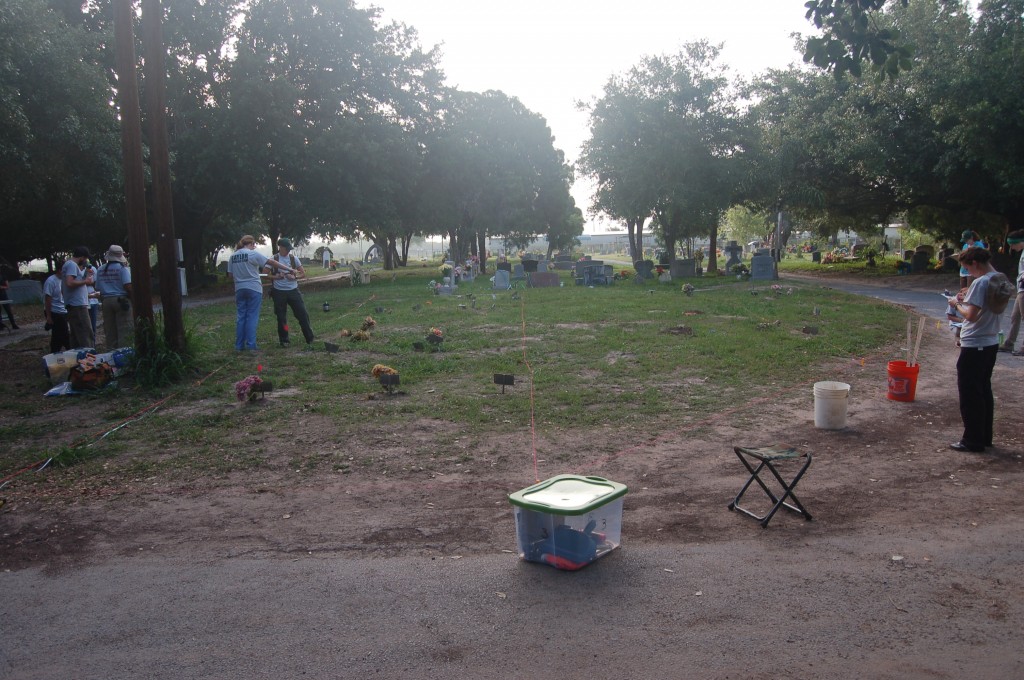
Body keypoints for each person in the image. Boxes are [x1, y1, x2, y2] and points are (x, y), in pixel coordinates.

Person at [946, 248, 1001, 452]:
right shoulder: (999, 278)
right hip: (991, 341)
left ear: (975, 263)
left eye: (968, 268)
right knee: (983, 389)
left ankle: (972, 440)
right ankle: (984, 436)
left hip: (976, 342)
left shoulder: (982, 282)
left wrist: (956, 303)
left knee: (970, 393)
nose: (968, 272)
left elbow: (971, 316)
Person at [228, 234, 293, 351]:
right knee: (252, 317)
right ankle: (251, 345)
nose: (254, 247)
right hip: (254, 288)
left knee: (241, 317)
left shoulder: (233, 256)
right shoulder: (253, 254)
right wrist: (289, 269)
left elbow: (230, 275)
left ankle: (238, 345)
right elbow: (272, 262)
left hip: (239, 289)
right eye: (254, 245)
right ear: (251, 244)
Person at [265, 238, 314, 348]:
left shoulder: (293, 259)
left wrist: (295, 277)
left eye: (289, 249)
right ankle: (284, 340)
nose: (288, 251)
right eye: (286, 249)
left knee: (302, 314)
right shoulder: (273, 259)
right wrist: (276, 277)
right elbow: (264, 275)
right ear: (280, 247)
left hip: (293, 291)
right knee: (281, 317)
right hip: (279, 292)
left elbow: (303, 273)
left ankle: (310, 338)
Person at [96, 245, 133, 350]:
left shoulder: (100, 269)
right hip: (121, 300)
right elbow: (128, 286)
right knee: (125, 329)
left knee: (110, 330)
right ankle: (124, 354)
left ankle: (111, 353)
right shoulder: (122, 269)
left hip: (106, 301)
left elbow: (98, 286)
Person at [61, 246, 95, 348]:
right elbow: (70, 282)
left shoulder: (70, 265)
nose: (85, 261)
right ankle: (89, 356)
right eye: (85, 258)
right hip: (77, 305)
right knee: (86, 333)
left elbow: (77, 281)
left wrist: (86, 275)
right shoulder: (71, 265)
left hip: (75, 303)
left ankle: (77, 357)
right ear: (82, 257)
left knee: (76, 334)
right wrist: (86, 281)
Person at [999, 230, 1024, 356]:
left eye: (1013, 244)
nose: (1012, 248)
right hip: (1021, 288)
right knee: (1015, 317)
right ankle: (1009, 343)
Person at [44, 264, 71, 352]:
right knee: (62, 334)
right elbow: (48, 299)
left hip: (63, 310)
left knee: (58, 334)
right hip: (55, 311)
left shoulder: (64, 280)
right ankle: (65, 349)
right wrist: (48, 316)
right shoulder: (51, 281)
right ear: (60, 270)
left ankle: (56, 350)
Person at [0, 265, 18, 330]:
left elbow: (7, 286)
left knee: (8, 310)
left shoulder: (3, 276)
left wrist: (1, 287)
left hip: (3, 295)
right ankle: (1, 326)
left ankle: (13, 324)